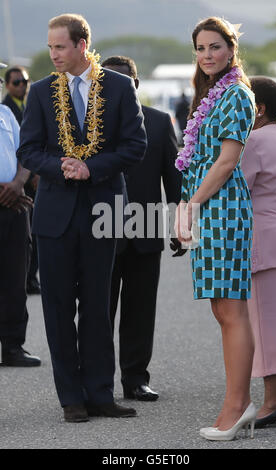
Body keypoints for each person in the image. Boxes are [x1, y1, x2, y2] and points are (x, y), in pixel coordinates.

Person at [17, 14, 147, 423]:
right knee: (57, 308)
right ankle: (70, 397)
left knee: (97, 304)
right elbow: (28, 151)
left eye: (60, 46)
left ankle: (101, 394)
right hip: (55, 214)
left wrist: (93, 167)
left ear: (82, 44)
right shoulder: (40, 92)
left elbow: (135, 146)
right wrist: (61, 167)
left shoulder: (120, 87)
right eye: (51, 46)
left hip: (103, 209)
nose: (53, 54)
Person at [174, 17, 257, 441]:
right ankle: (235, 402)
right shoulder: (211, 93)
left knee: (231, 308)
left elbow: (226, 162)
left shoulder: (238, 94)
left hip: (222, 208)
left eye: (215, 47)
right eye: (201, 49)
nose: (207, 56)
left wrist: (191, 205)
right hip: (208, 208)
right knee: (221, 308)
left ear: (231, 49)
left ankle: (237, 406)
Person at [102, 55, 184, 402]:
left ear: (135, 84)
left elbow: (173, 176)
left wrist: (180, 224)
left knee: (140, 310)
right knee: (98, 311)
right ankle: (97, 382)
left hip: (147, 229)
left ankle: (136, 379)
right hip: (99, 230)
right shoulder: (88, 124)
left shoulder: (158, 120)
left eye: (123, 80)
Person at [241, 77, 276, 428]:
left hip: (263, 236)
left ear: (257, 109)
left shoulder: (255, 140)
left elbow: (235, 187)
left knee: (266, 324)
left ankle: (273, 402)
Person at [0, 62, 41, 367]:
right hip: (9, 199)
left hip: (14, 206)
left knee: (15, 280)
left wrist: (17, 183)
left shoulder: (6, 116)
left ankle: (13, 347)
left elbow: (26, 153)